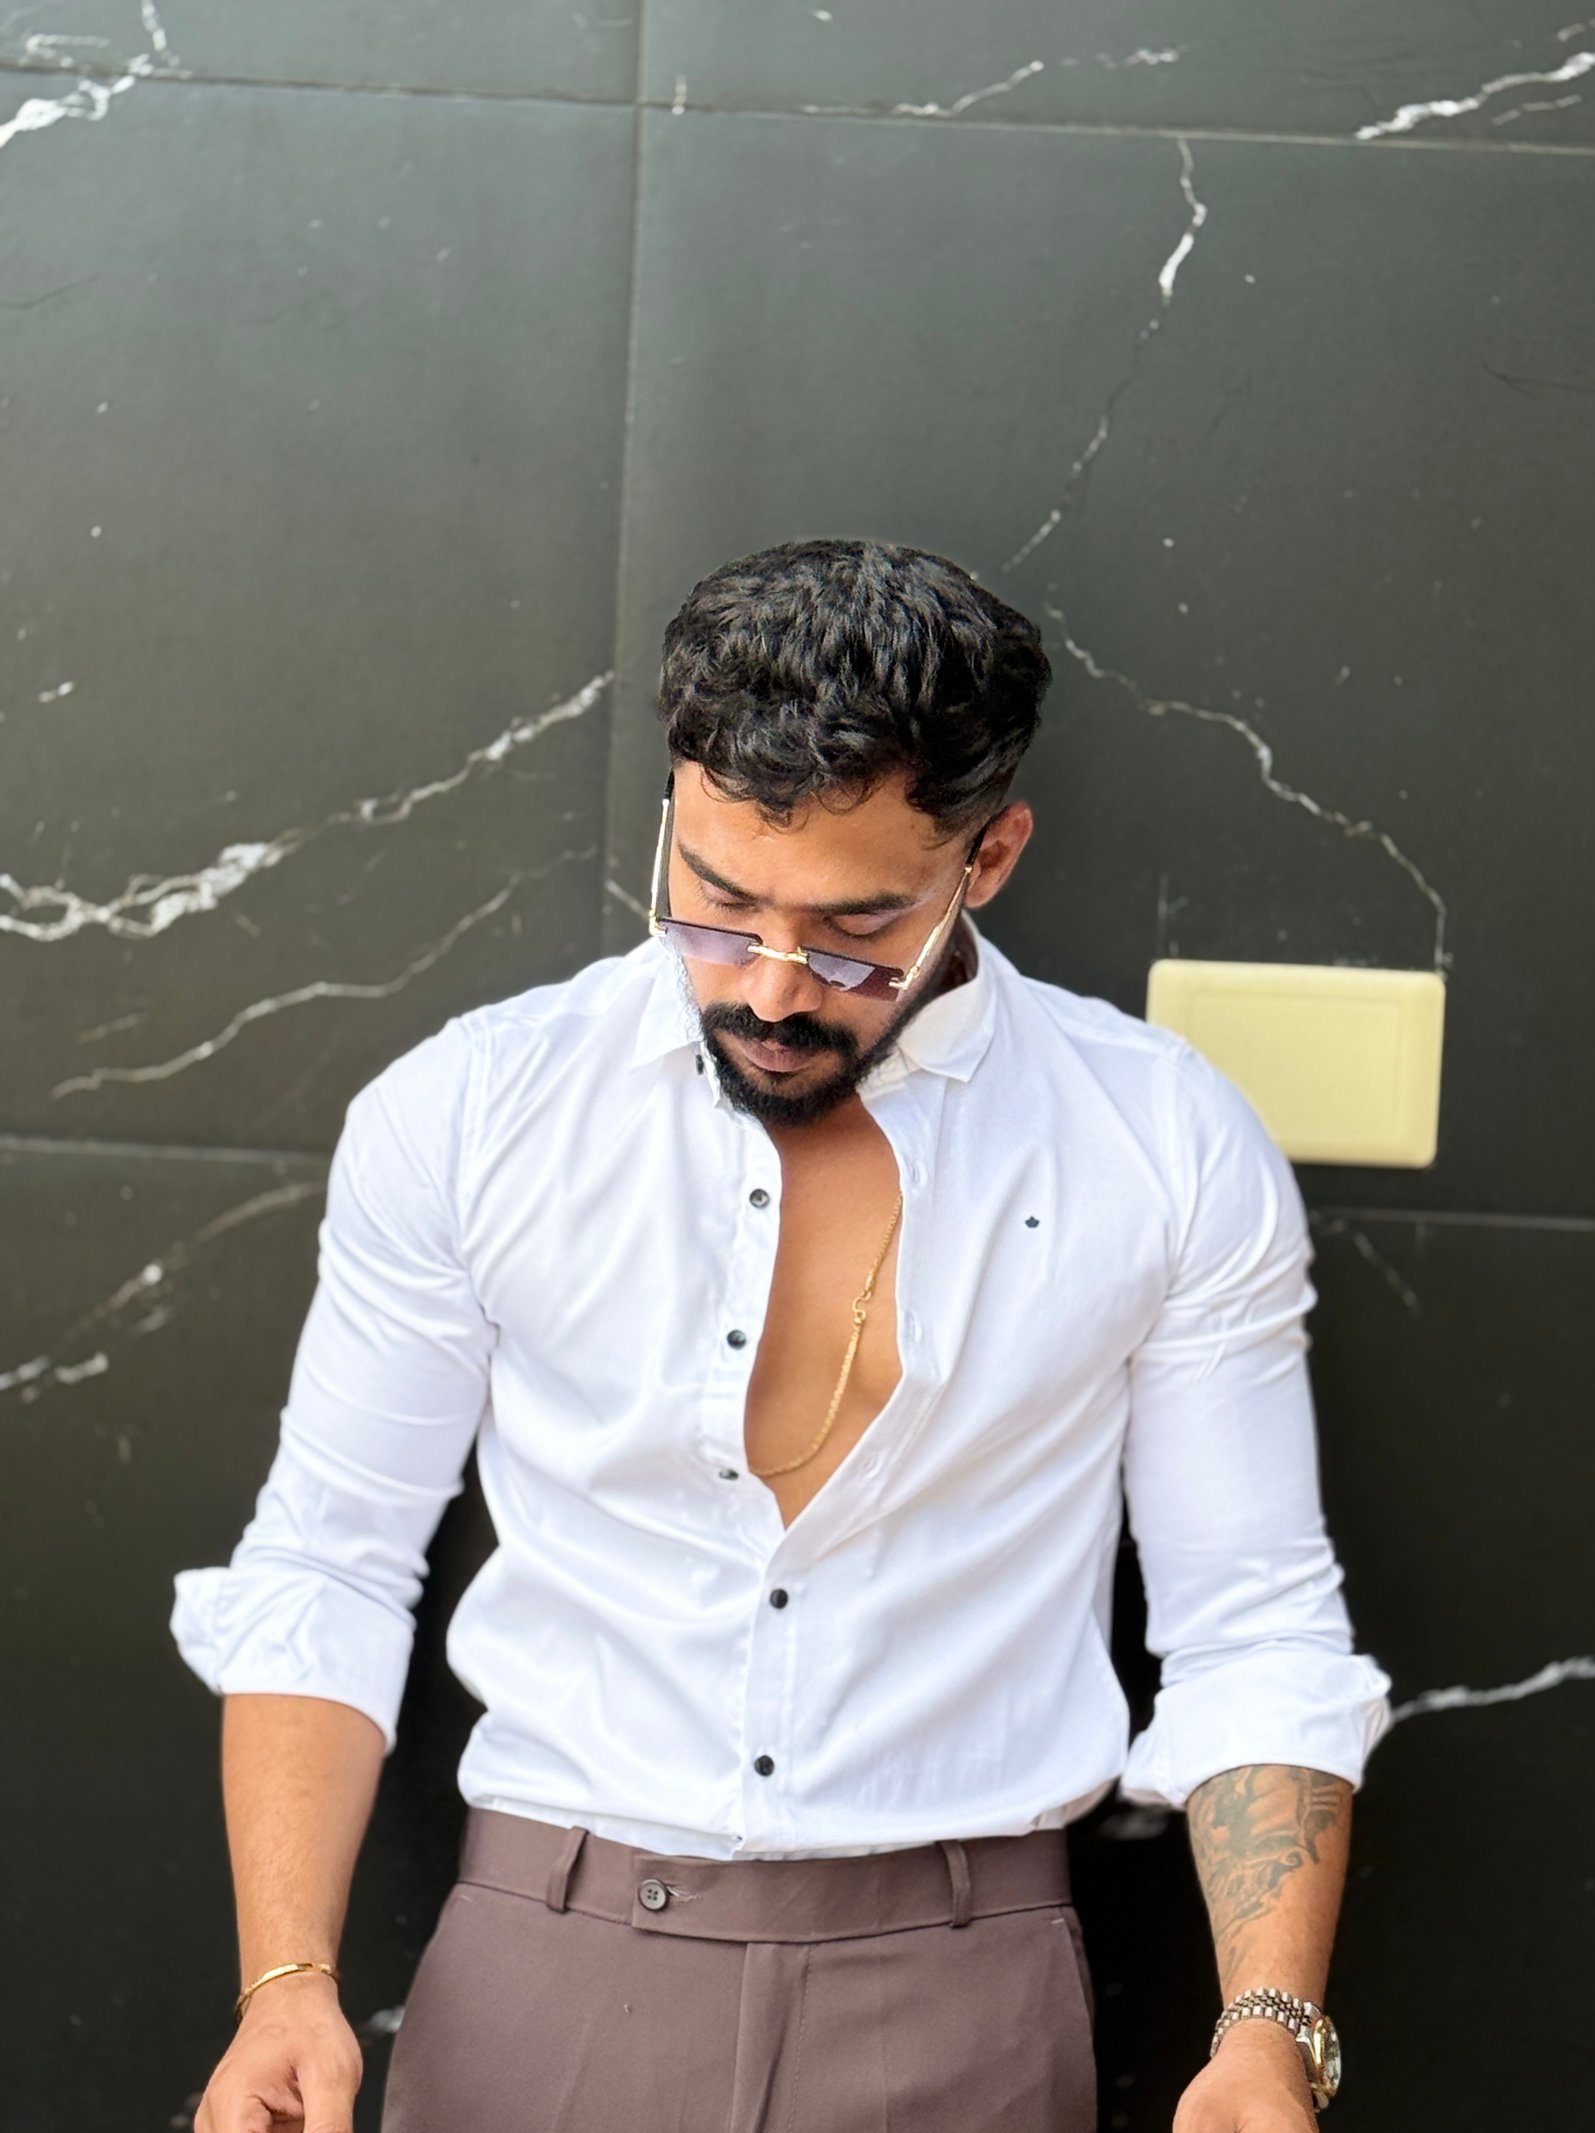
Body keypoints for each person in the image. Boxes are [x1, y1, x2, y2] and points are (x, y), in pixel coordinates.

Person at [176, 538, 1391, 2133]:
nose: (766, 985)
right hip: (548, 1966)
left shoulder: (1161, 1143)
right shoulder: (471, 1110)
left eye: (852, 928)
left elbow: (1253, 1624)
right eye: (717, 899)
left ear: (990, 855)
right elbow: (327, 1565)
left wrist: (1267, 2027)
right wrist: (285, 1981)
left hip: (968, 1993)